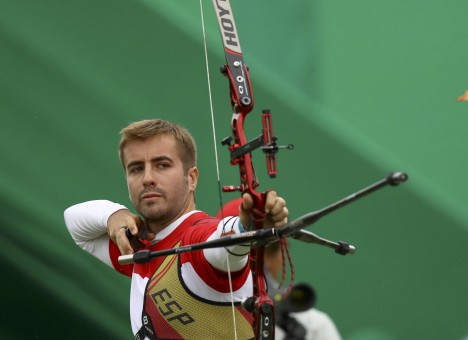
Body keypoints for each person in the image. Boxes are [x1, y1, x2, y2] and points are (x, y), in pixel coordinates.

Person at [64, 119, 289, 339]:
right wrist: (113, 215)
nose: (148, 178)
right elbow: (75, 224)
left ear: (191, 178)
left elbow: (224, 241)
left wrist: (249, 225)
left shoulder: (197, 241)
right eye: (136, 169)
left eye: (162, 165)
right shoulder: (138, 248)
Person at [220, 200, 342, 340]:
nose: (261, 263)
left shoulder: (313, 326)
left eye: (272, 249)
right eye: (246, 252)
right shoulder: (198, 319)